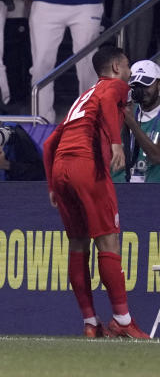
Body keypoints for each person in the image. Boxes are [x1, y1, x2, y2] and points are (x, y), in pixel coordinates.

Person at [42, 45, 150, 338]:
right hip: (87, 167)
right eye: (127, 67)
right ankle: (123, 320)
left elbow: (49, 143)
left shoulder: (83, 98)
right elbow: (107, 107)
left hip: (62, 168)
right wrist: (116, 143)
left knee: (78, 245)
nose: (128, 74)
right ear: (116, 67)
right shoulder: (113, 87)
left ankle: (91, 322)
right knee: (108, 242)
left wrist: (54, 185)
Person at [118, 59, 160, 183]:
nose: (141, 91)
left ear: (158, 84)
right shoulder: (127, 111)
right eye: (136, 86)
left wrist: (132, 124)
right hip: (127, 187)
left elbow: (157, 156)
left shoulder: (129, 117)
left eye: (146, 85)